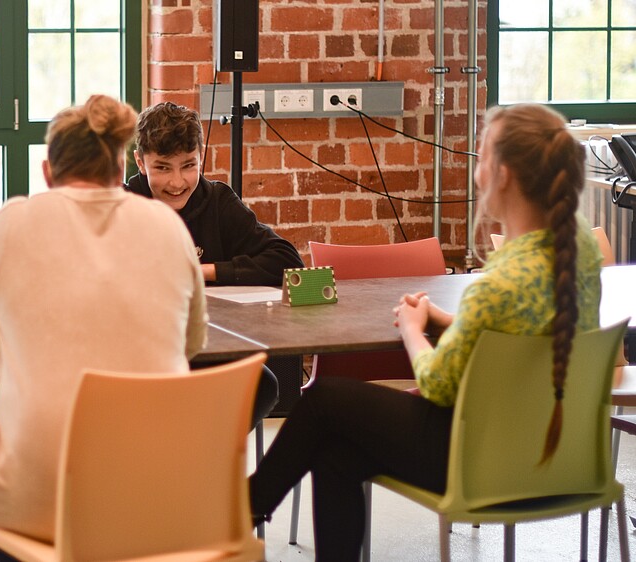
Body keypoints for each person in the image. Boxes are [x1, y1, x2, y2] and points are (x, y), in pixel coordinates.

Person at [247, 103, 603, 560]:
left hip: (480, 461)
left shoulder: (497, 284)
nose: (476, 172)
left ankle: (241, 508)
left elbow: (436, 384)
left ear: (505, 175)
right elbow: (523, 332)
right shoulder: (581, 247)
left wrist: (415, 328)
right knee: (336, 452)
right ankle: (246, 508)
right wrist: (449, 320)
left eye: (480, 157)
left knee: (323, 401)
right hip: (558, 457)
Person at [0, 95, 208, 556]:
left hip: (40, 490)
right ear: (122, 168)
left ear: (48, 172)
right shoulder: (168, 227)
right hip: (156, 493)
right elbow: (191, 344)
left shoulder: (9, 224)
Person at [125, 101, 302, 428]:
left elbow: (288, 261)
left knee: (265, 383)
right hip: (140, 357)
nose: (177, 182)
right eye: (162, 168)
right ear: (140, 161)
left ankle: (203, 459)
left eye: (188, 165)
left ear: (201, 157)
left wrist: (204, 271)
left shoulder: (218, 201)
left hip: (213, 351)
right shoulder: (122, 206)